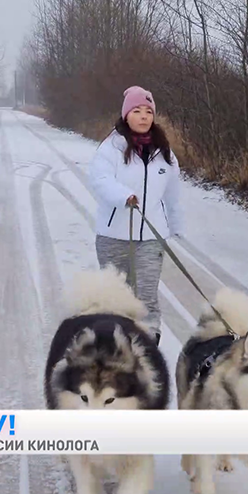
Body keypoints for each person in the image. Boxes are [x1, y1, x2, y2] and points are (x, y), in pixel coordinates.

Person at [88, 86, 184, 344]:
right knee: (116, 295)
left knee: (146, 295)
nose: (144, 116)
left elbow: (173, 192)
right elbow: (99, 179)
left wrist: (174, 225)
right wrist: (124, 196)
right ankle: (113, 346)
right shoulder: (111, 147)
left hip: (152, 238)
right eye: (137, 111)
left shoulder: (164, 152)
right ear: (126, 115)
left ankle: (147, 347)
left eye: (148, 111)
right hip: (113, 236)